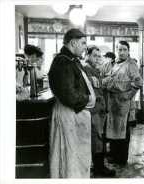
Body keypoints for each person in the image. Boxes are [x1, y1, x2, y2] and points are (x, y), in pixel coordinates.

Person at [48, 28, 96, 178]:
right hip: (67, 115)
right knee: (69, 159)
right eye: (83, 43)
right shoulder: (62, 62)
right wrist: (88, 99)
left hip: (74, 115)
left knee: (76, 158)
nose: (84, 47)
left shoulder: (71, 60)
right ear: (73, 43)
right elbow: (69, 96)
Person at [102, 41, 142, 166]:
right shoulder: (112, 63)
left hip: (122, 102)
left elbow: (138, 83)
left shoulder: (131, 64)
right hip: (111, 101)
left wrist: (128, 96)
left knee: (122, 131)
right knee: (112, 130)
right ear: (116, 50)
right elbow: (104, 77)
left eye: (125, 49)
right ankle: (113, 155)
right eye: (120, 49)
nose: (122, 52)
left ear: (128, 51)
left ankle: (122, 159)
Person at [83, 46, 116, 177]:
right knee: (97, 139)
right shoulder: (86, 69)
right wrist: (104, 81)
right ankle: (99, 169)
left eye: (99, 56)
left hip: (99, 108)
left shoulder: (94, 69)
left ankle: (99, 166)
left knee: (99, 138)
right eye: (95, 56)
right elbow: (94, 85)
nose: (97, 58)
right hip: (94, 109)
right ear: (87, 55)